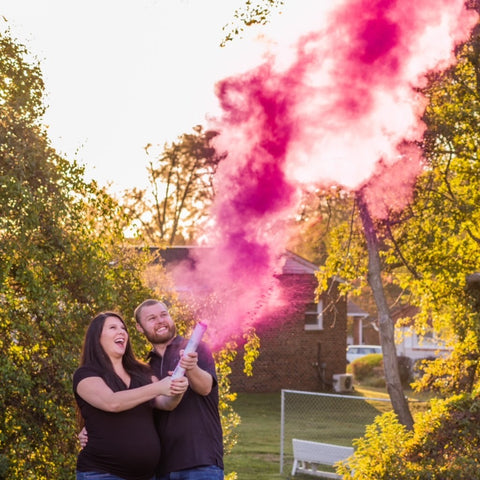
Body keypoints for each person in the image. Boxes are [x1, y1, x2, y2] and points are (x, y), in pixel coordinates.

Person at [74, 311, 188, 480]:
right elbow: (112, 402)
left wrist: (177, 389)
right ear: (97, 338)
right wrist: (158, 386)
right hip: (102, 473)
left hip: (147, 476)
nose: (121, 332)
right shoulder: (86, 374)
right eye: (113, 328)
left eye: (123, 328)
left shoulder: (142, 372)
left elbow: (166, 403)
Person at [133, 299, 224, 480]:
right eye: (151, 318)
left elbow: (206, 387)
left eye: (163, 315)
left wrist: (191, 367)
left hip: (201, 462)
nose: (160, 321)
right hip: (162, 468)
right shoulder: (144, 367)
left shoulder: (196, 348)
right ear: (139, 327)